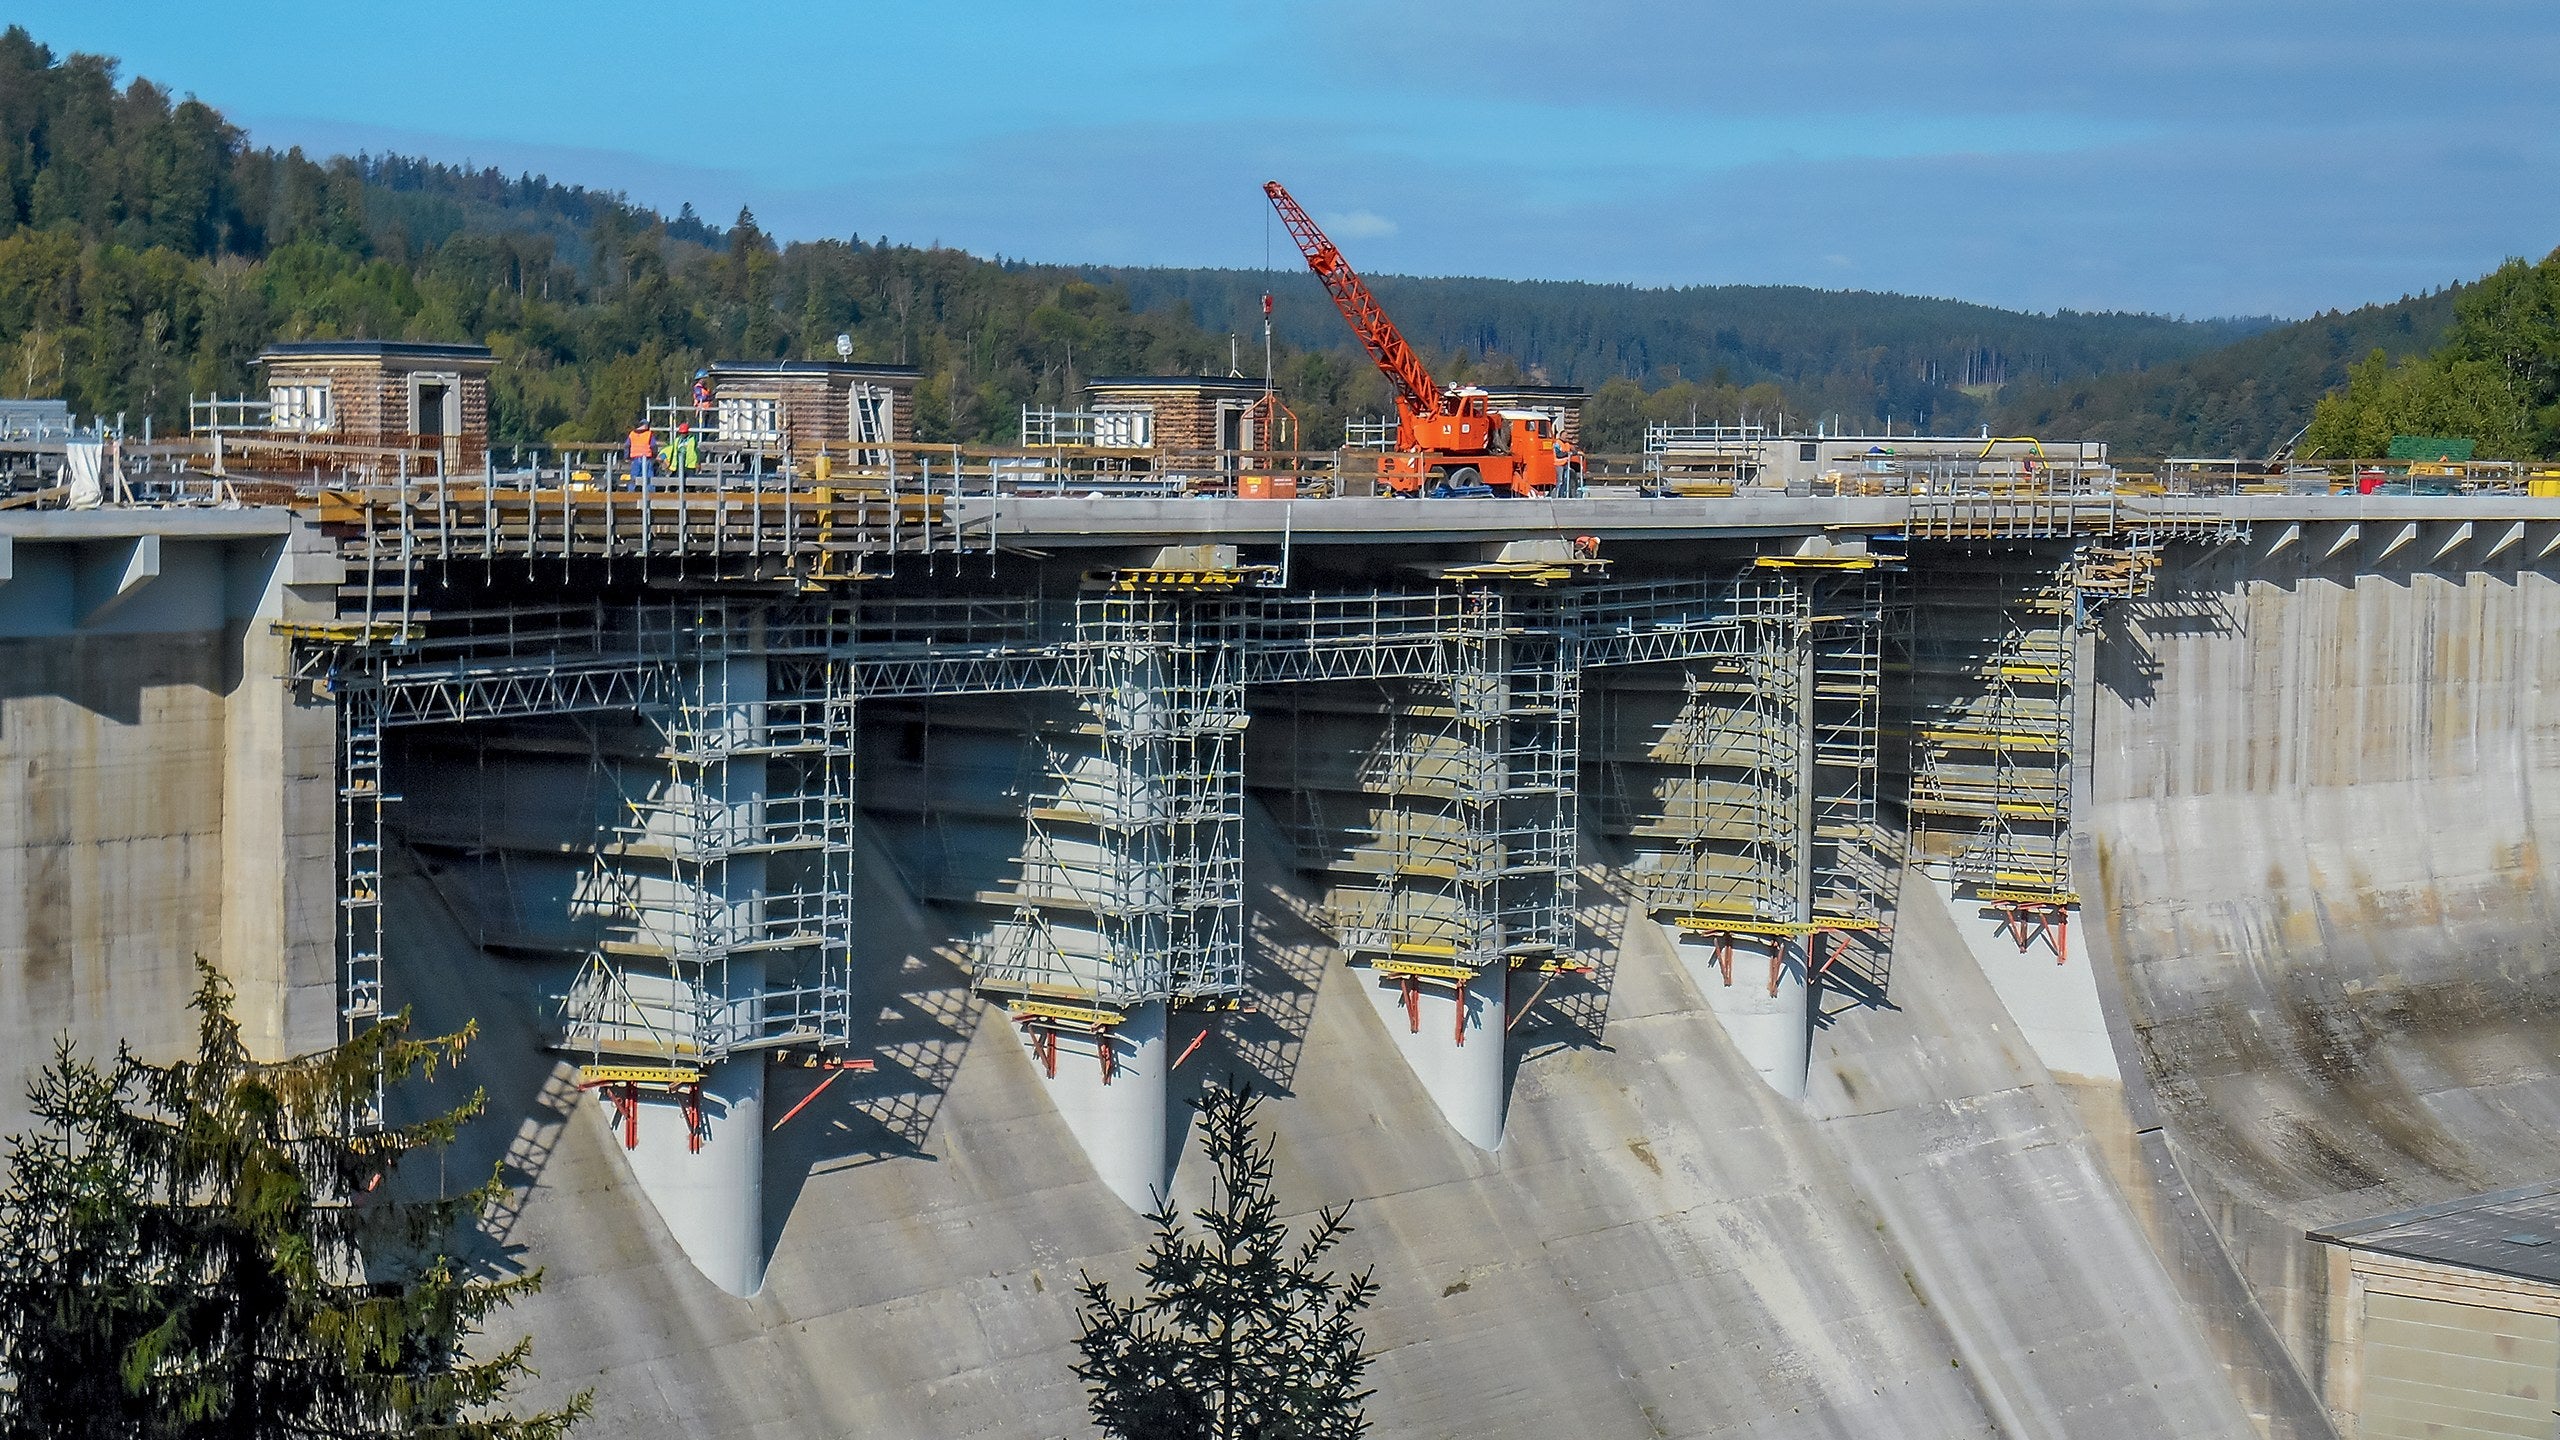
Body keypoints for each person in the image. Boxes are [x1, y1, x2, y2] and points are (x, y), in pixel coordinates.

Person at [626, 422, 657, 486]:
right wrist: (654, 456)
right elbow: (653, 446)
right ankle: (650, 493)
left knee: (634, 477)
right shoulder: (649, 434)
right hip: (647, 458)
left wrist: (627, 457)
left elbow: (627, 446)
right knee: (648, 478)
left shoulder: (632, 434)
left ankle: (632, 492)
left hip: (635, 458)